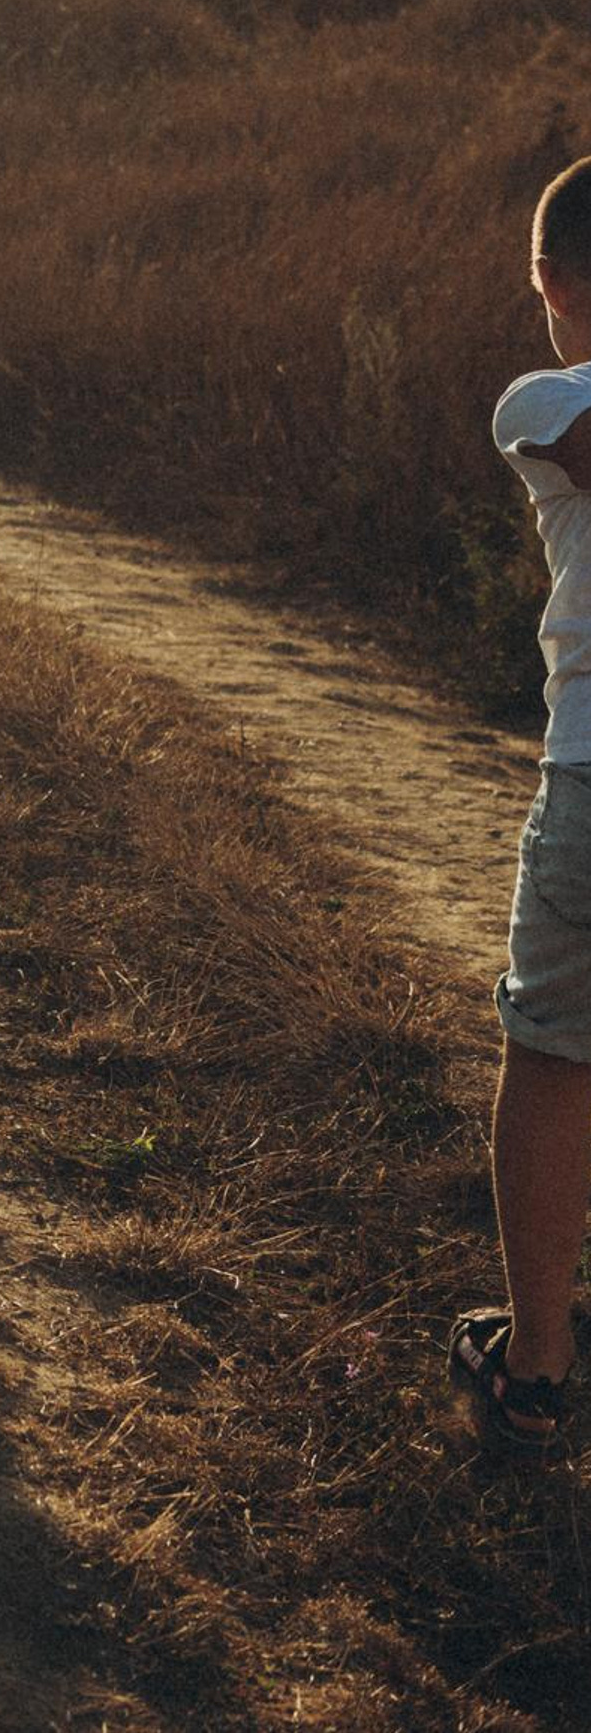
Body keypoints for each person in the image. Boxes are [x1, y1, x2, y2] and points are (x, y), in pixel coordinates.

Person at [452, 155, 591, 1451]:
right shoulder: (551, 407)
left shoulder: (539, 391)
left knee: (553, 1052)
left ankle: (538, 1364)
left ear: (548, 282)